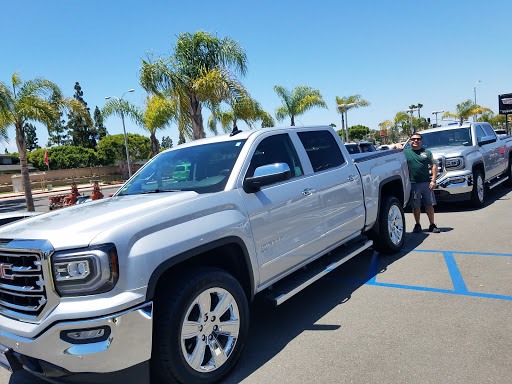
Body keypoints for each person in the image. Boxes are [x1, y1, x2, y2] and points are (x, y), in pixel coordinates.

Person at [403, 132, 440, 233]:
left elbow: (434, 165)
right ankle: (417, 224)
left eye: (418, 139)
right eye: (414, 139)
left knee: (429, 204)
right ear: (410, 141)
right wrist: (395, 146)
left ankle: (432, 224)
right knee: (416, 205)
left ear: (421, 141)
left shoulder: (427, 152)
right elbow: (392, 151)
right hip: (413, 183)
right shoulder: (405, 152)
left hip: (426, 183)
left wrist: (433, 180)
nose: (416, 141)